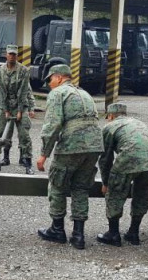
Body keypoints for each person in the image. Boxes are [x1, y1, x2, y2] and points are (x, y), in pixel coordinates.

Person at [35, 64, 103, 250]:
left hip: (72, 145)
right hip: (95, 145)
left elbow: (52, 125)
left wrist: (43, 154)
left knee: (57, 185)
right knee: (80, 188)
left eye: (49, 79)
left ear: (58, 77)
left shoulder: (58, 93)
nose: (49, 84)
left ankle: (57, 230)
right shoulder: (85, 94)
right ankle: (78, 235)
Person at [97, 103, 148, 247]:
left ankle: (113, 234)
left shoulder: (109, 127)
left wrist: (106, 183)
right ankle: (133, 233)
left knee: (115, 194)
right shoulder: (140, 123)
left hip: (129, 159)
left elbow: (105, 158)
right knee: (141, 195)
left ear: (111, 115)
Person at [0, 45, 36, 174]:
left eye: (14, 54)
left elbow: (24, 92)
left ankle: (27, 162)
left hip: (20, 105)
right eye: (10, 54)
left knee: (24, 134)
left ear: (17, 56)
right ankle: (2, 158)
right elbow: (0, 91)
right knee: (0, 132)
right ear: (6, 54)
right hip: (5, 104)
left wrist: (20, 111)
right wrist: (5, 110)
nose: (12, 56)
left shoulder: (23, 70)